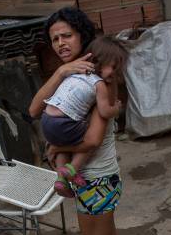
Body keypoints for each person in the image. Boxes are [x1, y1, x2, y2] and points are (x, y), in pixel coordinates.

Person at [29, 8, 167, 235]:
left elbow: (91, 140)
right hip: (95, 180)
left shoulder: (100, 79)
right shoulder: (74, 76)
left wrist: (54, 146)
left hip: (95, 180)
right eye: (55, 39)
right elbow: (33, 110)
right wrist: (61, 71)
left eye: (67, 36)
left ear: (83, 36)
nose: (61, 43)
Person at [40, 36, 128, 197]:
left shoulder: (74, 73)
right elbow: (104, 112)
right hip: (63, 123)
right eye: (114, 67)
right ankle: (72, 169)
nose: (116, 73)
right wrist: (115, 109)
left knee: (63, 139)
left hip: (46, 119)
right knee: (88, 139)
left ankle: (60, 179)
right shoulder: (99, 83)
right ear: (99, 61)